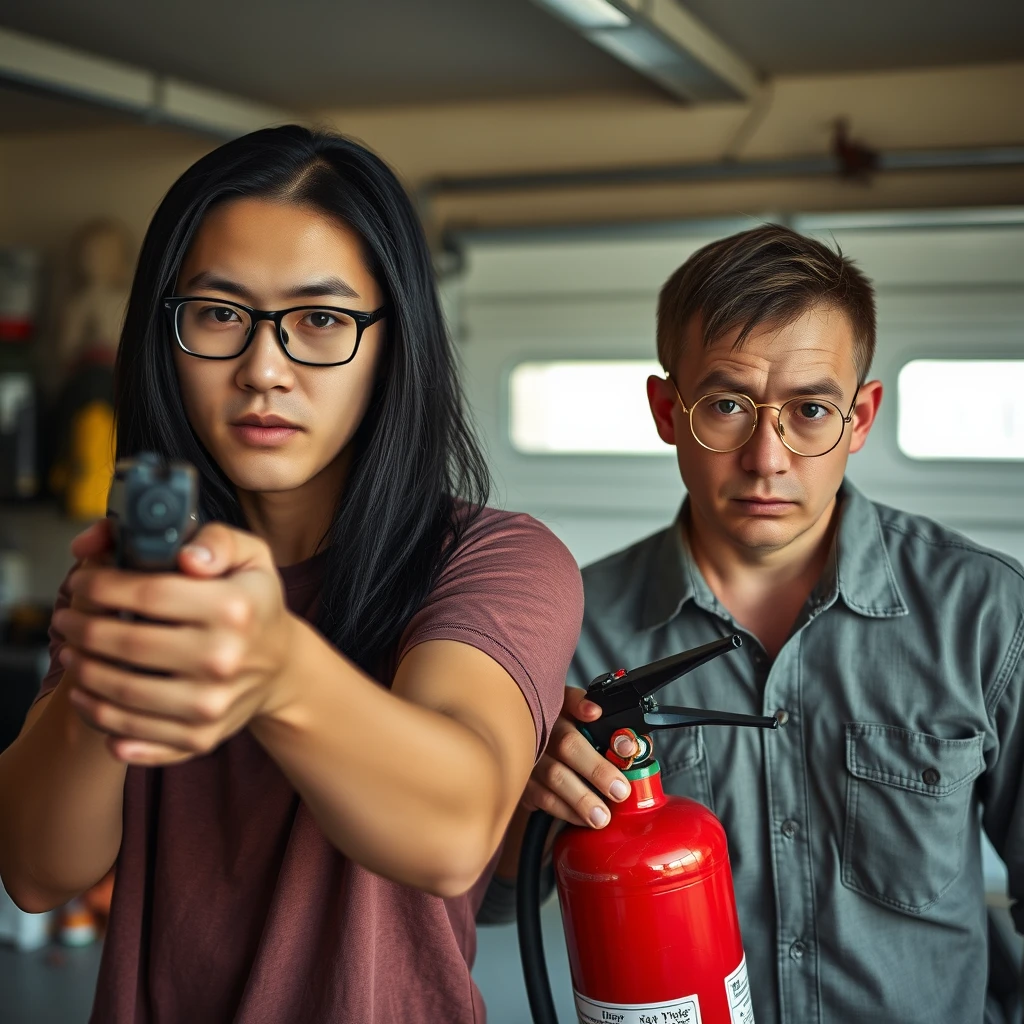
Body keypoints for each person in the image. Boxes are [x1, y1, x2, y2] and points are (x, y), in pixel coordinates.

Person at [0, 126, 583, 1024]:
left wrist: (272, 663)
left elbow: (453, 832)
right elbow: (38, 872)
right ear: (169, 334)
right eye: (220, 314)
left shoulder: (495, 561)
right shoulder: (136, 577)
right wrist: (100, 676)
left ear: (394, 343)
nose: (263, 370)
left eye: (321, 320)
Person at [491, 225, 1024, 1022]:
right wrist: (523, 809)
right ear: (668, 411)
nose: (767, 458)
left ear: (863, 417)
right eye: (727, 405)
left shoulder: (986, 614)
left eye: (811, 409)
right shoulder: (570, 629)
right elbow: (492, 904)